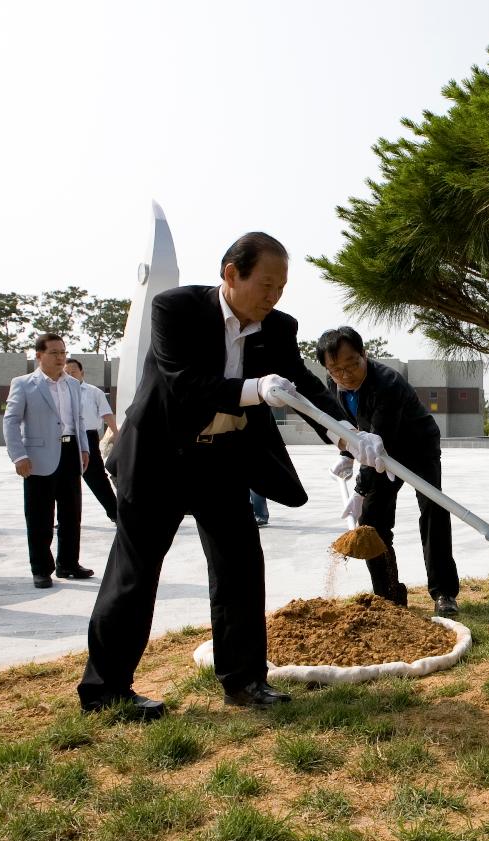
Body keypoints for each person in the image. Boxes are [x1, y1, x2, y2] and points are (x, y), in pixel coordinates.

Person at [77, 232, 388, 719]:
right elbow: (185, 385)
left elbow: (302, 386)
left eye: (281, 287)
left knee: (240, 567)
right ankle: (105, 690)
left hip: (219, 460)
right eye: (266, 284)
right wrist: (254, 389)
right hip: (158, 458)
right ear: (231, 275)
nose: (273, 297)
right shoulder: (175, 309)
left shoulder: (278, 327)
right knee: (134, 575)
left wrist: (347, 432)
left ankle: (244, 682)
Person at [318, 326, 460, 616]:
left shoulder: (387, 383)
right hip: (380, 451)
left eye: (352, 364)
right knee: (372, 523)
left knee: (433, 509)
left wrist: (359, 489)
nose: (345, 375)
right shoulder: (335, 386)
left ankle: (444, 593)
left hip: (416, 448)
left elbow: (383, 442)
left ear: (365, 355)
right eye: (335, 369)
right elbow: (351, 429)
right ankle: (389, 594)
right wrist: (346, 455)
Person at [3, 334, 92, 589]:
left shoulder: (73, 384)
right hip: (38, 457)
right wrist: (19, 455)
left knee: (71, 513)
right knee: (40, 515)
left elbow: (79, 420)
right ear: (39, 355)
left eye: (63, 352)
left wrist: (84, 449)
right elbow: (10, 421)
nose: (60, 358)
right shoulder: (24, 384)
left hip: (70, 452)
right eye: (54, 353)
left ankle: (68, 563)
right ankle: (41, 569)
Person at [64, 358, 119, 522]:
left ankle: (116, 514)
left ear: (82, 373)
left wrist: (116, 433)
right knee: (66, 481)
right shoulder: (59, 391)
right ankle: (67, 520)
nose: (70, 374)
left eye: (73, 371)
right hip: (65, 438)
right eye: (66, 371)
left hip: (88, 437)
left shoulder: (94, 392)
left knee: (97, 479)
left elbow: (106, 414)